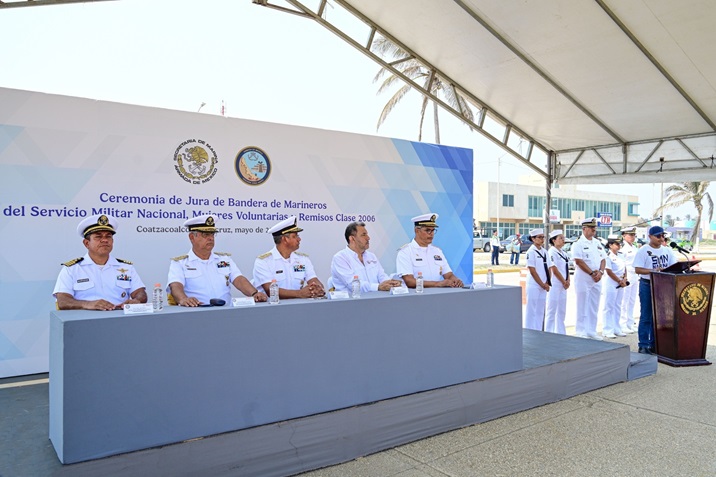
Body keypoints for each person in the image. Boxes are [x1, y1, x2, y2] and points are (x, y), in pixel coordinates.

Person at [168, 215, 267, 306]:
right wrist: (183, 299)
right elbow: (175, 285)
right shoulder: (180, 263)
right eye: (205, 234)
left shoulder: (224, 260)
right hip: (196, 312)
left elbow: (239, 279)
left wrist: (254, 293)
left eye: (212, 234)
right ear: (192, 237)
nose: (210, 238)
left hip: (225, 312)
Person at [53, 214, 147, 310]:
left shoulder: (126, 267)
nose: (105, 240)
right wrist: (87, 304)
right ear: (86, 243)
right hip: (85, 318)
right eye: (98, 237)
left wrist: (137, 300)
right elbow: (63, 301)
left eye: (108, 236)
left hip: (120, 316)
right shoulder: (72, 269)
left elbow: (140, 293)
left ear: (112, 241)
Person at [253, 216, 325, 299]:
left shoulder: (303, 259)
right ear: (285, 239)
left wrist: (317, 288)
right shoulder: (264, 261)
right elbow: (270, 290)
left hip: (299, 305)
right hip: (274, 305)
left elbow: (313, 279)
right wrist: (299, 294)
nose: (299, 239)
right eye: (295, 236)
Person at [633, 225, 676, 354]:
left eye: (663, 236)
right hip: (647, 284)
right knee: (646, 316)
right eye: (658, 236)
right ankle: (643, 345)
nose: (661, 238)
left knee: (658, 317)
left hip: (662, 285)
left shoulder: (667, 251)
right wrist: (653, 270)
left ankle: (654, 344)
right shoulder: (643, 250)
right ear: (650, 236)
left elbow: (673, 266)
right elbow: (637, 269)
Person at [395, 213, 464, 288]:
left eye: (433, 230)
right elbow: (409, 281)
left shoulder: (437, 251)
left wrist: (456, 280)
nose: (431, 234)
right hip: (416, 294)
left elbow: (449, 275)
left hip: (438, 294)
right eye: (427, 230)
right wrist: (437, 284)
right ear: (417, 230)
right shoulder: (406, 252)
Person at [331, 222, 402, 292]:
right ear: (352, 238)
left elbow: (381, 276)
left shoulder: (371, 256)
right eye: (363, 235)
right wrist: (378, 287)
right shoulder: (340, 258)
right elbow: (353, 284)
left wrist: (390, 283)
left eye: (367, 234)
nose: (368, 238)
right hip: (352, 299)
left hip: (376, 297)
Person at [572, 218, 607, 340]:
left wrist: (601, 272)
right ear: (584, 229)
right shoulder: (578, 243)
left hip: (597, 278)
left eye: (594, 228)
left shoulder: (597, 243)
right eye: (591, 228)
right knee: (582, 304)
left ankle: (591, 330)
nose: (593, 230)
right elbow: (579, 261)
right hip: (584, 277)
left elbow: (603, 259)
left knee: (594, 305)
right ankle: (580, 330)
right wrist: (592, 273)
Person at [601, 235, 628, 339]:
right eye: (616, 244)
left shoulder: (621, 255)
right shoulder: (607, 256)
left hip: (621, 282)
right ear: (610, 245)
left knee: (617, 306)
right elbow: (609, 271)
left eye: (620, 244)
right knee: (609, 307)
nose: (619, 246)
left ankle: (616, 328)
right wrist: (619, 281)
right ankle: (607, 330)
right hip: (611, 282)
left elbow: (625, 268)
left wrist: (625, 279)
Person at [524, 229, 550, 330]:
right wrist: (542, 284)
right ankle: (530, 331)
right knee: (531, 310)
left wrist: (547, 282)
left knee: (540, 310)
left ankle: (538, 330)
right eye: (540, 237)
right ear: (533, 239)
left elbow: (549, 268)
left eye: (543, 237)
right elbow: (532, 271)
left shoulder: (545, 252)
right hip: (534, 284)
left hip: (544, 285)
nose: (542, 239)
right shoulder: (531, 252)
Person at [545, 229, 569, 334]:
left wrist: (568, 280)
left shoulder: (564, 253)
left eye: (563, 238)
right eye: (561, 238)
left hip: (563, 284)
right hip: (555, 283)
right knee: (552, 309)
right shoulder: (551, 252)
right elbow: (554, 269)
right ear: (554, 240)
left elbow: (566, 268)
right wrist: (563, 281)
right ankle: (549, 331)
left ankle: (560, 332)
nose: (563, 240)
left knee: (562, 310)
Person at [619, 226, 639, 334]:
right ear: (624, 236)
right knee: (624, 301)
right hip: (627, 275)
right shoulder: (622, 248)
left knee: (632, 301)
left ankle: (630, 323)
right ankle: (622, 323)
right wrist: (624, 277)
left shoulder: (634, 247)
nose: (633, 237)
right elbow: (622, 264)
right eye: (630, 235)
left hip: (635, 275)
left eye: (634, 235)